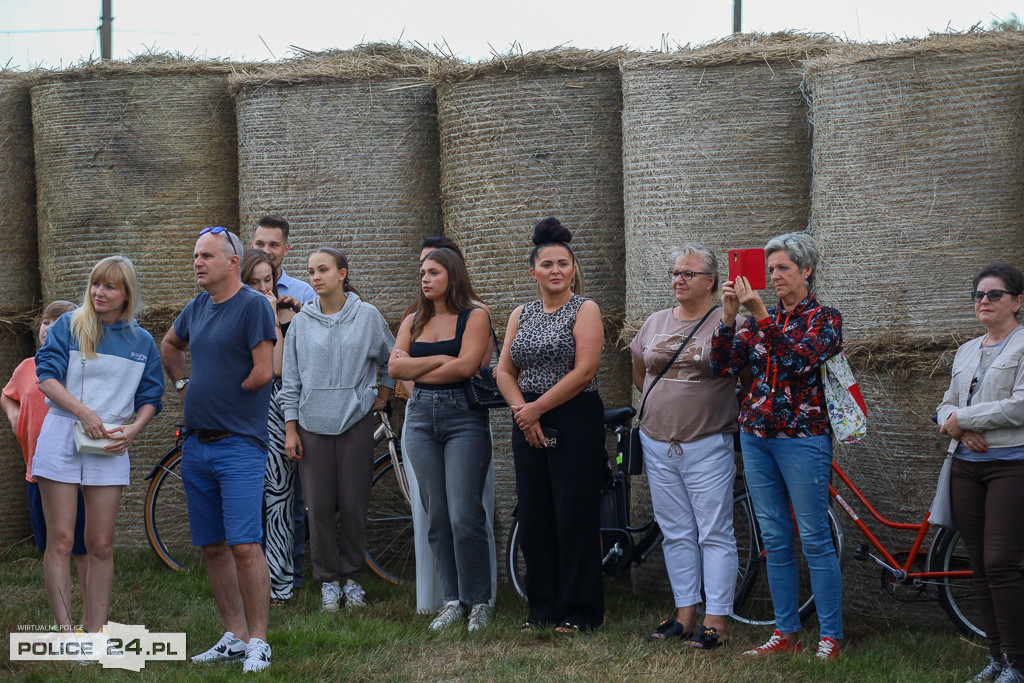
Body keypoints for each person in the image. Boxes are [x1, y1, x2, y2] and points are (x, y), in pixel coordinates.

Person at [709, 231, 843, 660]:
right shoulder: (752, 321)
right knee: (775, 539)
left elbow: (797, 362)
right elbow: (721, 366)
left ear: (807, 271)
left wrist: (761, 314)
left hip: (803, 438)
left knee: (815, 538)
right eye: (770, 269)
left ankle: (831, 636)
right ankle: (786, 632)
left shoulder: (824, 318)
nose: (774, 275)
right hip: (756, 436)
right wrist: (729, 319)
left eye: (783, 268)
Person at [161, 227, 276, 673]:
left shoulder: (252, 306)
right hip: (196, 447)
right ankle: (234, 635)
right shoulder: (196, 307)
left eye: (206, 255)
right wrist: (183, 383)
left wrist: (229, 396)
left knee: (245, 545)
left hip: (239, 447)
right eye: (195, 255)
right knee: (212, 547)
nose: (197, 262)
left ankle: (259, 642)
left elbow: (263, 372)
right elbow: (170, 345)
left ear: (233, 261)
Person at [32, 257, 163, 636]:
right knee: (60, 540)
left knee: (101, 544)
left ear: (127, 295)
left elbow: (152, 395)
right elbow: (46, 378)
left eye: (109, 287)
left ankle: (95, 634)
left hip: (110, 446)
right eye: (95, 284)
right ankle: (66, 632)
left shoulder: (142, 342)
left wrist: (134, 429)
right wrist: (82, 412)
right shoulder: (68, 327)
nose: (99, 293)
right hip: (62, 435)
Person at [494, 217, 605, 633]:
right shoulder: (521, 313)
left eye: (563, 263)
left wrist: (536, 408)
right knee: (536, 515)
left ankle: (580, 611)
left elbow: (585, 370)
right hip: (526, 418)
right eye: (547, 265)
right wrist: (524, 412)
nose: (555, 270)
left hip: (574, 417)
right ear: (533, 272)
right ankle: (541, 606)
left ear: (573, 269)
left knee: (574, 515)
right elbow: (503, 371)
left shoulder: (586, 309)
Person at [629, 245, 742, 649]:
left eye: (688, 273)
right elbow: (640, 370)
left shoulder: (730, 322)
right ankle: (685, 615)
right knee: (676, 532)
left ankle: (716, 621)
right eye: (675, 272)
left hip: (706, 442)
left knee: (714, 533)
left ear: (711, 281)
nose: (678, 279)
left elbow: (738, 371)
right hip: (657, 441)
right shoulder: (656, 322)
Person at [278, 247, 395, 613]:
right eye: (311, 271)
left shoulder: (368, 317)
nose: (315, 276)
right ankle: (329, 580)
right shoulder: (301, 323)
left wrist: (383, 395)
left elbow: (391, 359)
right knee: (320, 508)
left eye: (323, 269)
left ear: (342, 274)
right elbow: (292, 380)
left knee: (356, 505)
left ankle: (354, 579)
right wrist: (291, 429)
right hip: (312, 427)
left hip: (355, 423)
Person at [390, 247, 494, 631]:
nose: (425, 278)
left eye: (433, 271)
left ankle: (478, 600)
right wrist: (439, 362)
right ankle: (452, 600)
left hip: (463, 418)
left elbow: (468, 366)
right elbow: (395, 368)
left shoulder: (475, 315)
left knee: (465, 513)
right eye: (422, 272)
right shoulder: (414, 319)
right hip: (419, 419)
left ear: (452, 274)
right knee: (437, 515)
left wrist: (421, 366)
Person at [937, 262, 1024, 683]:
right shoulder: (968, 349)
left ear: (1017, 301)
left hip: (1012, 466)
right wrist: (956, 421)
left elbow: (1021, 405)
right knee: (980, 566)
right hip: (966, 468)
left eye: (994, 295)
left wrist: (965, 419)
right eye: (978, 295)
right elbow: (945, 403)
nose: (984, 301)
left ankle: (1019, 662)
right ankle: (997, 659)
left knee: (1002, 561)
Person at [3, 301, 89, 601]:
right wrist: (14, 415)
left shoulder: (77, 368)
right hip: (35, 472)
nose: (49, 328)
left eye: (58, 323)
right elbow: (8, 394)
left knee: (80, 543)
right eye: (45, 322)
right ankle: (60, 603)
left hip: (71, 473)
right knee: (51, 544)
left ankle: (88, 603)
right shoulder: (27, 367)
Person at [251, 214, 314, 590]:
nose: (267, 251)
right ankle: (259, 574)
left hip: (287, 402)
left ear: (285, 249)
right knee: (257, 495)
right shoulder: (237, 292)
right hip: (249, 405)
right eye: (260, 244)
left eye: (274, 245)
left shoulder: (301, 293)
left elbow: (309, 346)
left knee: (290, 495)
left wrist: (290, 314)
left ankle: (293, 572)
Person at [241, 249, 298, 604]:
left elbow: (277, 368)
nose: (264, 288)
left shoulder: (286, 313)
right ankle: (244, 576)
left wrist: (274, 318)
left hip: (275, 408)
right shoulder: (236, 313)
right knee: (245, 498)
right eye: (255, 282)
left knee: (279, 498)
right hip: (242, 408)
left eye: (269, 281)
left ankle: (280, 583)